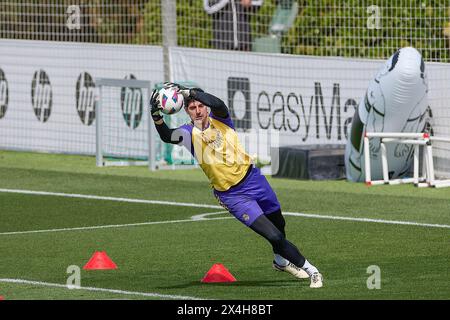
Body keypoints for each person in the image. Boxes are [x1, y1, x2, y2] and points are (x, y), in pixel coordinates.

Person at [149, 83, 323, 288]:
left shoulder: (221, 118)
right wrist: (156, 115)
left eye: (200, 106)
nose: (198, 110)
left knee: (280, 225)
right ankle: (313, 271)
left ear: (206, 107)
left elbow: (219, 103)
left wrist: (193, 94)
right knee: (273, 235)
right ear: (186, 111)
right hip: (233, 195)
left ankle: (280, 261)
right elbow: (166, 136)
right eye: (192, 107)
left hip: (253, 179)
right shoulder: (188, 134)